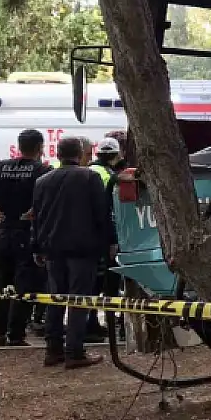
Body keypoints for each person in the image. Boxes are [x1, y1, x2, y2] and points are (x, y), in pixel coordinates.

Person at [31, 136, 114, 369]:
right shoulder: (90, 177)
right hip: (82, 248)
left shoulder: (42, 181)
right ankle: (74, 352)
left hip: (53, 249)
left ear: (58, 154)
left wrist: (36, 246)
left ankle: (53, 350)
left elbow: (37, 217)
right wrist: (109, 242)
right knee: (79, 299)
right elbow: (102, 214)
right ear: (80, 154)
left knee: (55, 299)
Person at [0, 130, 51, 347]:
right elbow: (45, 200)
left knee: (0, 285)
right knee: (24, 286)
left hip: (0, 233)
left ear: (19, 145)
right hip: (26, 233)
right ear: (40, 147)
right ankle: (15, 334)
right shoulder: (42, 170)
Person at [85, 136, 125, 341]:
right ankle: (109, 324)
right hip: (104, 237)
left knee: (91, 284)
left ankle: (91, 323)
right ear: (117, 155)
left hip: (88, 237)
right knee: (110, 284)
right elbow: (110, 212)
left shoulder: (88, 171)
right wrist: (113, 240)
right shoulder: (109, 175)